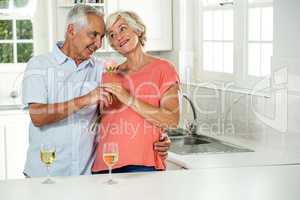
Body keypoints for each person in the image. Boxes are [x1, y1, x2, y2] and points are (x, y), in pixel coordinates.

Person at [22, 5, 170, 177]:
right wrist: (86, 99)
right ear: (71, 30)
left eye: (102, 37)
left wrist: (158, 137)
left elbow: (122, 114)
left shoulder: (103, 70)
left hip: (87, 177)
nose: (99, 44)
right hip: (45, 174)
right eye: (93, 35)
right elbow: (38, 116)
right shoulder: (39, 65)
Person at [92, 11, 180, 174]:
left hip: (142, 163)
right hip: (105, 163)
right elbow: (99, 121)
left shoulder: (164, 69)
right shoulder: (109, 75)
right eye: (111, 34)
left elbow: (172, 120)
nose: (117, 37)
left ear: (138, 30)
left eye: (123, 28)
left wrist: (128, 98)